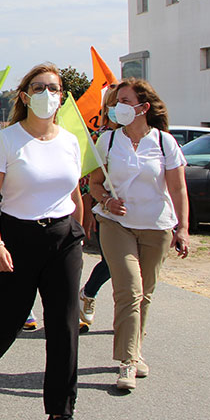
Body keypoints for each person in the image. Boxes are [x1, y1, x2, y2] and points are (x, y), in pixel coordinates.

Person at [0, 63, 90, 420]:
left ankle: (60, 414)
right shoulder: (7, 141)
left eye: (54, 88)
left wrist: (79, 234)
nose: (47, 95)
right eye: (39, 88)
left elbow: (74, 195)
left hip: (63, 237)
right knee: (12, 317)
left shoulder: (70, 140)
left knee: (64, 325)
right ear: (24, 95)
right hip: (17, 236)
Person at [88, 78, 190, 391]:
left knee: (144, 293)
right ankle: (127, 361)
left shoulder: (163, 142)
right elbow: (93, 184)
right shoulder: (107, 141)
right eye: (116, 102)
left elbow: (177, 187)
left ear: (143, 108)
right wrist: (106, 200)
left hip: (156, 226)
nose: (118, 107)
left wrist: (182, 228)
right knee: (129, 289)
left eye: (125, 101)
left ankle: (136, 350)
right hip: (116, 224)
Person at [80, 86, 120, 332]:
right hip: (105, 212)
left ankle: (128, 315)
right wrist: (87, 214)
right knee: (112, 262)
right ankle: (88, 293)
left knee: (132, 269)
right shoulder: (99, 137)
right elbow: (86, 182)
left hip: (138, 216)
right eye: (116, 103)